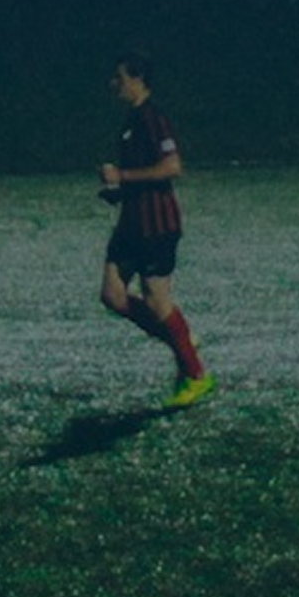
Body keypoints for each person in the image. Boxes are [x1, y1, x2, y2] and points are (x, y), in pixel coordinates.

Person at [91, 57, 211, 409]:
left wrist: (122, 178)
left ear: (138, 79)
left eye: (120, 77)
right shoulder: (131, 121)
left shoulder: (153, 118)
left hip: (157, 226)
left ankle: (196, 374)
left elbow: (173, 167)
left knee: (158, 302)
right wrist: (119, 191)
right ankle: (181, 339)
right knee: (112, 295)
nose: (115, 84)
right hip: (131, 225)